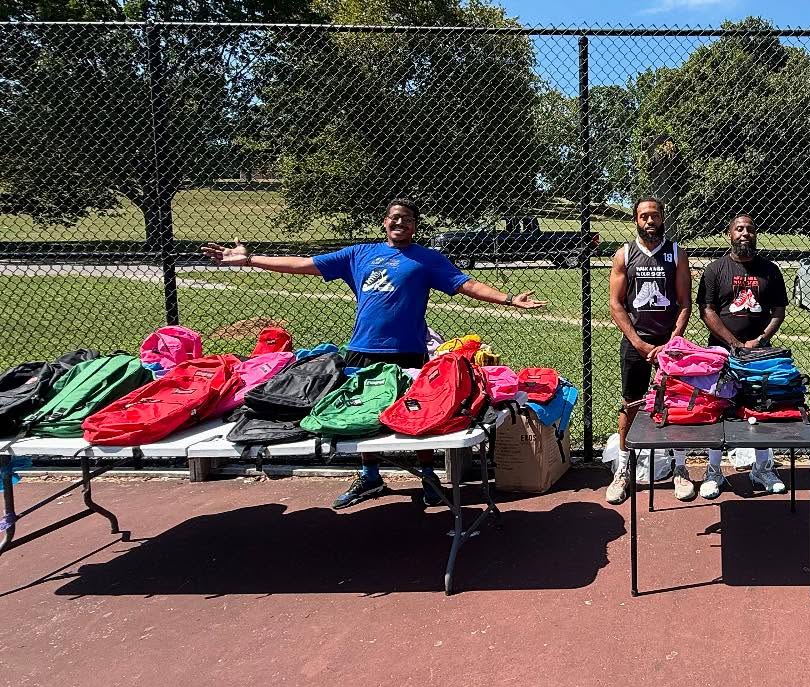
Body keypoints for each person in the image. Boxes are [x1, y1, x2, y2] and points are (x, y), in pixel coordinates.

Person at [202, 199, 546, 509]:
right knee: (362, 417)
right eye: (396, 218)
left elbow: (465, 284)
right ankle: (370, 476)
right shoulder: (358, 254)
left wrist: (509, 299)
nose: (401, 224)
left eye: (408, 220)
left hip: (408, 352)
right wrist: (249, 259)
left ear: (415, 226)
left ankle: (428, 475)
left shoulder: (426, 259)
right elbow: (303, 263)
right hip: (362, 352)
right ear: (385, 222)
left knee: (419, 415)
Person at [605, 197, 693, 505]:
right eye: (643, 216)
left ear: (663, 217)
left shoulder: (676, 253)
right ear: (635, 221)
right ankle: (623, 470)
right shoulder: (624, 255)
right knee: (630, 404)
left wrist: (672, 341)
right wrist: (639, 343)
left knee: (676, 403)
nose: (649, 221)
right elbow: (616, 305)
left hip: (670, 344)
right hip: (636, 341)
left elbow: (685, 304)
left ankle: (680, 468)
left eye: (654, 215)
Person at [696, 214, 789, 498]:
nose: (745, 233)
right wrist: (733, 342)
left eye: (750, 228)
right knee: (716, 408)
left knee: (760, 408)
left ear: (756, 234)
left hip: (759, 354)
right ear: (729, 235)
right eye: (739, 229)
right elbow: (707, 311)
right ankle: (714, 471)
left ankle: (762, 468)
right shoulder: (715, 269)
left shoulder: (770, 270)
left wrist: (759, 340)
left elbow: (778, 312)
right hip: (721, 351)